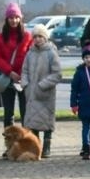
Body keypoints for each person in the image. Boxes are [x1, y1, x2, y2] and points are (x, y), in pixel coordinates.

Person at [21, 24, 63, 156]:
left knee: (47, 121)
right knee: (33, 122)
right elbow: (25, 70)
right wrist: (25, 84)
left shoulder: (51, 52)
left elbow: (57, 73)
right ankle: (35, 145)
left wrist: (42, 85)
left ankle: (47, 146)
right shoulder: (30, 53)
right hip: (31, 93)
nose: (37, 39)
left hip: (46, 93)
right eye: (35, 37)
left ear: (45, 38)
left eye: (40, 36)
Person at [0, 3, 33, 128]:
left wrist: (22, 74)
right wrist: (9, 72)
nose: (14, 20)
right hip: (6, 78)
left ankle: (26, 139)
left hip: (23, 78)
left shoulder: (27, 36)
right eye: (11, 17)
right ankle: (10, 141)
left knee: (25, 111)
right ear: (6, 19)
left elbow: (31, 56)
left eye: (16, 17)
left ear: (20, 18)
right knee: (8, 113)